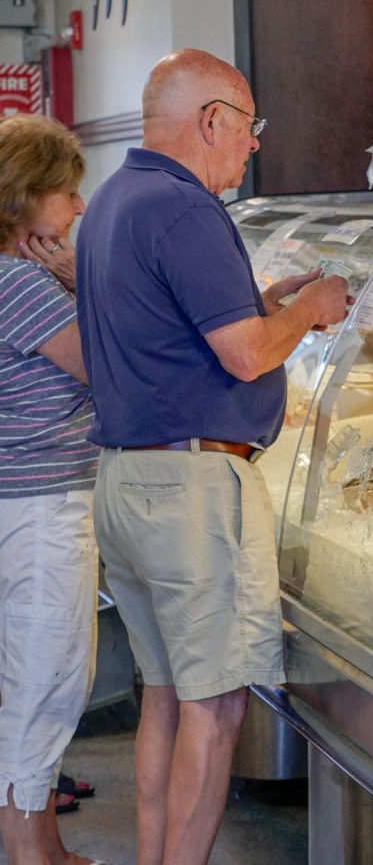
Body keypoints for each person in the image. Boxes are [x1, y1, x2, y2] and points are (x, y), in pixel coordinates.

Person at [76, 49, 350, 865]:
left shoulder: (114, 200)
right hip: (190, 490)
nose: (253, 145)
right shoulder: (183, 207)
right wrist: (307, 312)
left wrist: (264, 305)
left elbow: (166, 331)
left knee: (164, 695)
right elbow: (240, 357)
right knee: (218, 705)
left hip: (128, 479)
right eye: (249, 125)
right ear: (210, 121)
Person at [0, 114, 104, 865]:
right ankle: (29, 850)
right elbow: (113, 370)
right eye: (66, 194)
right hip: (40, 507)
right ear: (24, 198)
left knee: (36, 678)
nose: (75, 209)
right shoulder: (21, 283)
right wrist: (79, 278)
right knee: (48, 678)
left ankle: (38, 840)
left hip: (27, 501)